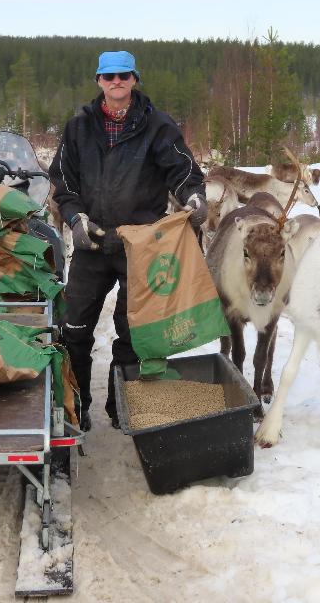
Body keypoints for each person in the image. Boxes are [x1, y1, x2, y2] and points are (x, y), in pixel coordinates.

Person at [50, 50, 207, 430]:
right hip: (92, 242)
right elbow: (63, 182)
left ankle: (122, 407)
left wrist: (193, 196)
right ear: (99, 82)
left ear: (134, 78)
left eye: (123, 75)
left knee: (133, 329)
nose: (116, 82)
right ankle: (77, 408)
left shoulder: (158, 126)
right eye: (108, 77)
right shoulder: (79, 128)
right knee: (73, 328)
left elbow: (182, 171)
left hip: (141, 244)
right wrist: (75, 218)